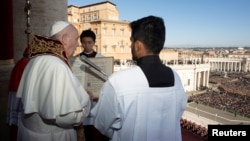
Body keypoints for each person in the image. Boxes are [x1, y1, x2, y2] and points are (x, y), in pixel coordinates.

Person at [90, 15, 188, 141]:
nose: (130, 46)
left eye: (131, 41)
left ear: (138, 45)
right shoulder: (176, 78)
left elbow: (102, 124)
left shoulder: (118, 82)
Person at [16, 21, 91, 141]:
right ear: (65, 39)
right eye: (76, 39)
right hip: (53, 136)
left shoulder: (36, 58)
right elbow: (66, 116)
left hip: (30, 133)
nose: (78, 45)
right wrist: (86, 104)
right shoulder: (57, 65)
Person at [79, 29, 108, 141]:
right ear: (81, 42)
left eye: (89, 42)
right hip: (83, 96)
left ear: (94, 43)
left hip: (97, 98)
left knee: (96, 129)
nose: (86, 45)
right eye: (84, 42)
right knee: (86, 131)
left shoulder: (101, 58)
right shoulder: (77, 58)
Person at [6, 47, 30, 141]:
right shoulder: (25, 64)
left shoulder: (22, 62)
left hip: (16, 93)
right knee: (18, 120)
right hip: (18, 95)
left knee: (15, 121)